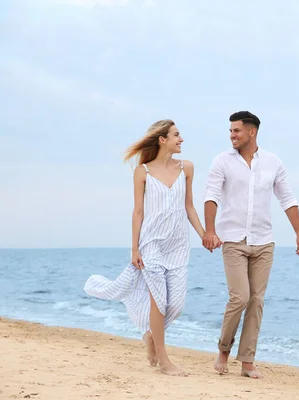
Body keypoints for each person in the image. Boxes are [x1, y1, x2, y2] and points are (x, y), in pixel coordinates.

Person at [84, 119, 209, 376]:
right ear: (162, 139)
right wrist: (134, 249)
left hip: (177, 245)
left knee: (176, 305)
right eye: (176, 135)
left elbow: (189, 207)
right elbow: (138, 212)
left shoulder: (187, 168)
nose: (181, 139)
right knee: (158, 303)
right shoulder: (143, 172)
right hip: (151, 243)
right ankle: (164, 361)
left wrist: (204, 234)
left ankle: (150, 337)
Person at [202, 111, 299, 379]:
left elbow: (287, 198)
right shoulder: (222, 161)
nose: (232, 135)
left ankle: (247, 361)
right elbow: (211, 195)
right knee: (240, 297)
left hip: (264, 242)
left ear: (252, 132)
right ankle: (224, 350)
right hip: (233, 240)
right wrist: (210, 230)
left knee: (257, 301)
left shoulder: (273, 162)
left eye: (236, 131)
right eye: (230, 131)